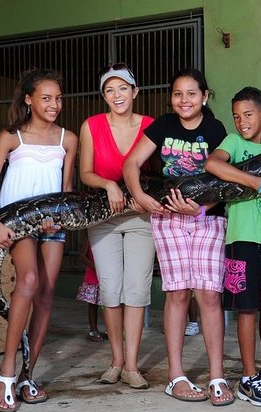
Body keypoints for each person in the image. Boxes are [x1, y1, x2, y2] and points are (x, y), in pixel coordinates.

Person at [123, 68, 235, 406]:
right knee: (177, 295)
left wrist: (200, 210)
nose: (183, 100)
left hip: (208, 220)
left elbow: (223, 180)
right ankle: (176, 376)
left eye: (190, 93)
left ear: (204, 96)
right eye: (177, 94)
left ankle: (217, 376)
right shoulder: (162, 126)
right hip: (167, 219)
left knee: (210, 296)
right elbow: (131, 165)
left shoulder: (215, 129)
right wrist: (140, 197)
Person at [0, 68, 77, 412]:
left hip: (53, 224)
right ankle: (5, 372)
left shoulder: (68, 139)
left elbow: (66, 191)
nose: (54, 105)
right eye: (46, 98)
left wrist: (60, 216)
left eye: (58, 98)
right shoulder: (11, 137)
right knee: (29, 280)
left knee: (48, 293)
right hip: (18, 223)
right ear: (29, 100)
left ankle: (27, 375)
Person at [205, 86, 261, 407]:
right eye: (236, 116)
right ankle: (248, 375)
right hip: (241, 237)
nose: (242, 122)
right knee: (247, 307)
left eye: (247, 115)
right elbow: (213, 166)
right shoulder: (232, 142)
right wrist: (255, 181)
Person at [78, 63, 156, 389]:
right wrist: (110, 185)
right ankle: (115, 361)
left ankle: (132, 367)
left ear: (135, 92)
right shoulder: (92, 125)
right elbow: (84, 173)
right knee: (110, 289)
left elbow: (163, 173)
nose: (117, 95)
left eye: (122, 88)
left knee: (136, 290)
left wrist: (141, 194)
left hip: (140, 217)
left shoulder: (152, 125)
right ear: (104, 96)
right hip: (103, 218)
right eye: (109, 90)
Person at [75, 239, 103, 342]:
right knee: (93, 304)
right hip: (93, 276)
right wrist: (95, 267)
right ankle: (93, 330)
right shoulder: (89, 236)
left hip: (108, 275)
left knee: (109, 303)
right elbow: (82, 256)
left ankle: (111, 329)